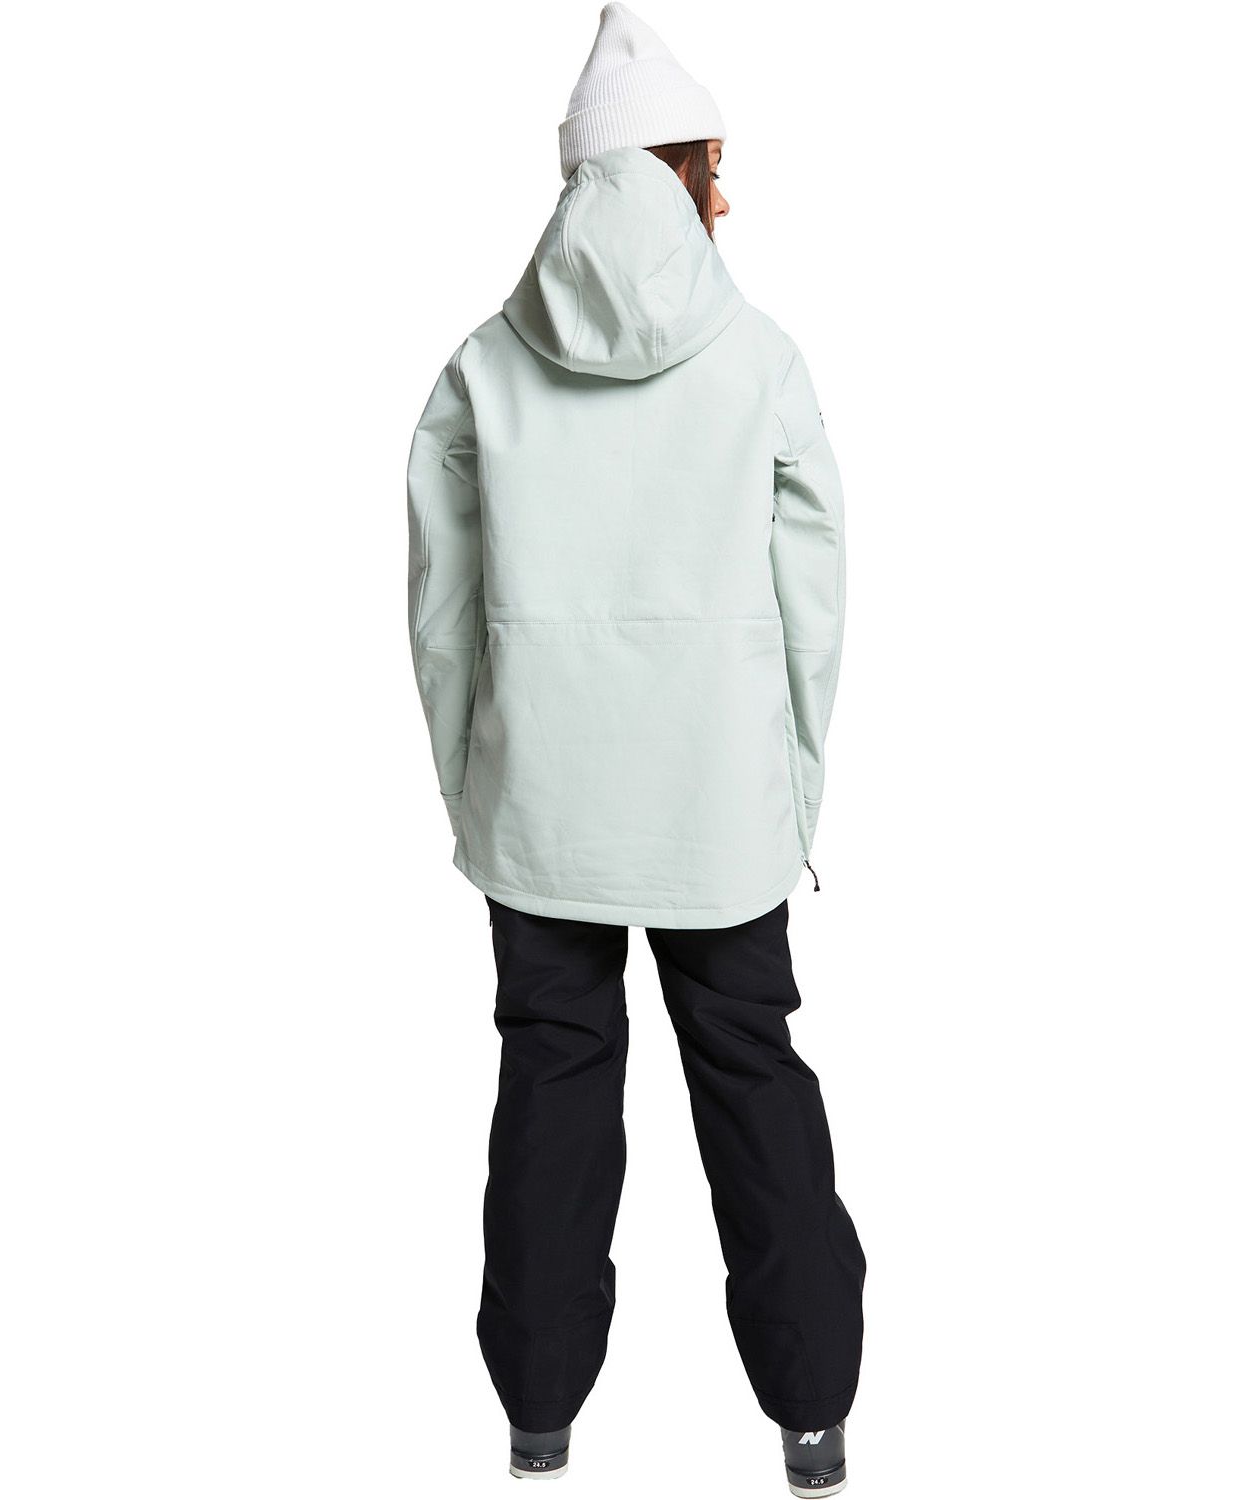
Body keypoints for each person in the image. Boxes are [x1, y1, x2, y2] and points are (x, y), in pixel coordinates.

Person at [407, 5, 865, 1492]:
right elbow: (813, 607)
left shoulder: (484, 364)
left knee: (552, 1083)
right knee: (753, 1077)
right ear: (681, 168)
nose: (728, 195)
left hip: (541, 800)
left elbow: (440, 615)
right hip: (719, 804)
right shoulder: (759, 356)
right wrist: (794, 789)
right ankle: (813, 1416)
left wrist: (476, 789)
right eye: (717, 166)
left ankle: (537, 1418)